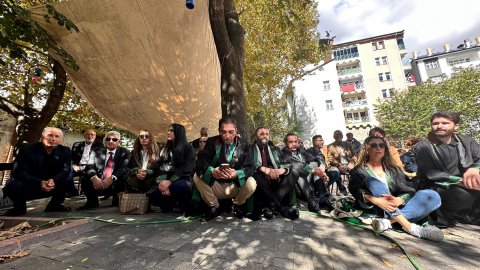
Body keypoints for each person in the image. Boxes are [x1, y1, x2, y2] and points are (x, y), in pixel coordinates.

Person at [349, 136, 444, 241]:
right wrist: (377, 200)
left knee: (432, 195)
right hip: (377, 208)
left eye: (381, 145)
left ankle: (388, 222)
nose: (378, 148)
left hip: (399, 207)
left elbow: (408, 189)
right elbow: (355, 190)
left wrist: (400, 199)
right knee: (371, 181)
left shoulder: (393, 169)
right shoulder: (357, 171)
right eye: (374, 145)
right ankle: (410, 227)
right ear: (366, 148)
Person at [414, 111, 480, 227]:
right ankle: (451, 216)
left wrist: (474, 169)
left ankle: (469, 216)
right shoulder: (422, 147)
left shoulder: (468, 141)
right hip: (439, 186)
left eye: (445, 123)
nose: (439, 126)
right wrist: (461, 182)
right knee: (463, 195)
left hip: (467, 183)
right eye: (435, 123)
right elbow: (431, 173)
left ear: (456, 126)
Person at [193, 117, 256, 220]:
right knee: (196, 176)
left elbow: (250, 166)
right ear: (219, 131)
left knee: (251, 183)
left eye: (231, 132)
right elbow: (201, 161)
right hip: (215, 185)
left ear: (236, 130)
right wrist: (212, 171)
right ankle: (214, 206)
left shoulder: (244, 145)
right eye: (224, 132)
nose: (227, 136)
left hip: (235, 186)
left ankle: (238, 204)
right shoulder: (211, 142)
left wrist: (237, 173)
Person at [3, 127, 72, 216]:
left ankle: (54, 205)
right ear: (42, 137)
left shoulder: (65, 151)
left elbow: (66, 170)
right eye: (50, 135)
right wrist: (39, 182)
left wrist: (53, 180)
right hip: (31, 183)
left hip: (52, 184)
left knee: (68, 178)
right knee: (14, 185)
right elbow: (19, 172)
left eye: (57, 136)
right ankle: (19, 208)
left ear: (60, 140)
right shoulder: (27, 149)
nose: (53, 139)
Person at [251, 127, 299, 220]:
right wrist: (265, 169)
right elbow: (249, 166)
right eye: (261, 134)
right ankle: (280, 208)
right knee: (254, 174)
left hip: (276, 183)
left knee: (294, 173)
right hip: (260, 186)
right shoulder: (250, 149)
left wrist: (281, 170)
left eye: (266, 134)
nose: (264, 136)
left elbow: (287, 164)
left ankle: (269, 206)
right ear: (256, 137)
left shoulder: (275, 149)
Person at [148, 124, 195, 213]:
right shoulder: (165, 149)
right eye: (168, 130)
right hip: (165, 182)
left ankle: (177, 202)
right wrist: (162, 184)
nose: (168, 132)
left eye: (171, 131)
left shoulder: (188, 148)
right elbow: (158, 166)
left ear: (179, 133)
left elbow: (188, 168)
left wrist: (170, 181)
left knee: (181, 186)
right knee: (151, 193)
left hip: (181, 180)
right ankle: (169, 202)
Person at [77, 131, 130, 210]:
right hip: (99, 181)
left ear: (119, 142)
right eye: (108, 139)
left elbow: (124, 168)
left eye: (114, 139)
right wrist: (94, 178)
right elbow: (90, 166)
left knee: (123, 177)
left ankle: (116, 202)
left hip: (115, 181)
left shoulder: (124, 152)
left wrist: (112, 178)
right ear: (105, 141)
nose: (111, 141)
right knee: (86, 177)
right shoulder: (96, 150)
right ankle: (92, 202)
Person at [282, 133, 332, 213]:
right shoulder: (283, 153)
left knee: (314, 164)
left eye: (296, 141)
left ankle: (324, 198)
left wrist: (321, 166)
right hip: (295, 188)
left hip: (307, 185)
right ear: (285, 143)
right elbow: (296, 165)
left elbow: (315, 159)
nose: (294, 144)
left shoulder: (301, 151)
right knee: (298, 171)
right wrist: (314, 170)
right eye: (290, 142)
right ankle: (310, 201)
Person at [70, 129, 103, 195]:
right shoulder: (77, 144)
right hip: (78, 166)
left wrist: (90, 167)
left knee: (89, 176)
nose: (90, 136)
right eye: (87, 134)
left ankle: (85, 191)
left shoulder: (100, 145)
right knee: (66, 173)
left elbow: (100, 159)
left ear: (95, 136)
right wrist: (73, 165)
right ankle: (73, 191)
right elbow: (71, 157)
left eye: (92, 134)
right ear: (84, 136)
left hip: (91, 167)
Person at [327, 130, 356, 196]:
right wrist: (339, 165)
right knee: (336, 171)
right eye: (335, 134)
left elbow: (354, 155)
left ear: (342, 136)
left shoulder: (348, 144)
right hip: (336, 165)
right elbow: (330, 159)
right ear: (333, 136)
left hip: (348, 164)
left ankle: (356, 188)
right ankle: (342, 189)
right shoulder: (330, 146)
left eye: (339, 134)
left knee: (358, 170)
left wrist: (352, 163)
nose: (337, 136)